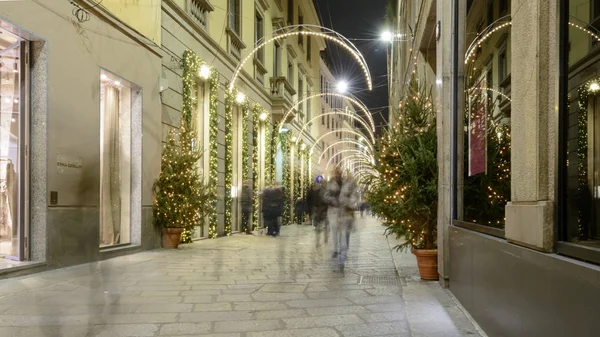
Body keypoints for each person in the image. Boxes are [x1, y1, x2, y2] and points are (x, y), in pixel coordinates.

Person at [323, 168, 358, 271]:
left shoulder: (347, 184)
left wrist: (347, 202)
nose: (337, 174)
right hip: (334, 213)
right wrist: (334, 201)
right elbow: (326, 196)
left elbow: (353, 197)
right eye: (335, 173)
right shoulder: (331, 184)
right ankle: (336, 253)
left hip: (346, 214)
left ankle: (341, 261)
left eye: (339, 173)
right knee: (336, 235)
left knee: (344, 238)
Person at [306, 180, 328, 246]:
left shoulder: (318, 192)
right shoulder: (325, 192)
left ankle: (319, 240)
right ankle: (323, 239)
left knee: (320, 226)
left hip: (320, 211)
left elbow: (314, 202)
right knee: (324, 226)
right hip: (323, 211)